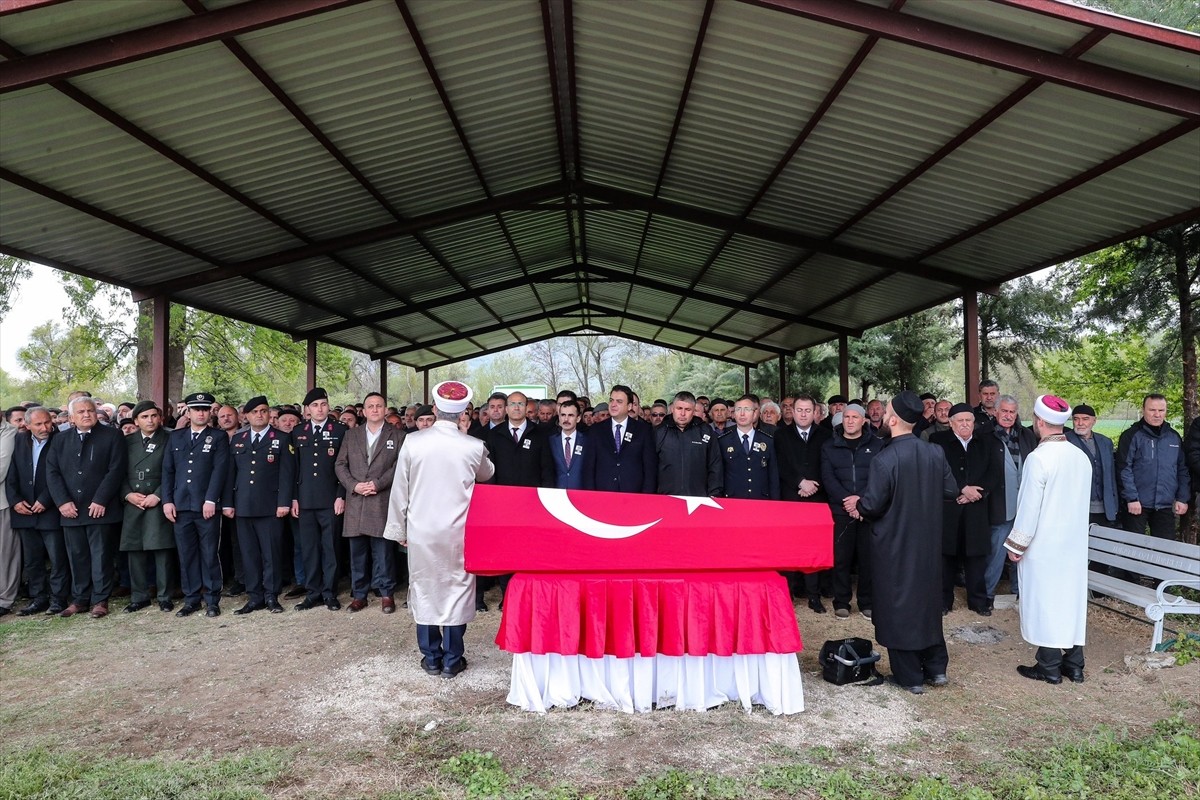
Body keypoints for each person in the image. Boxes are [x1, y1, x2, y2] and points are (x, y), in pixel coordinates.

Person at [385, 380, 494, 679]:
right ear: (463, 412)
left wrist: (398, 528)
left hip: (421, 530)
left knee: (425, 587)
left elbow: (400, 489)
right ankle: (452, 659)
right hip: (459, 531)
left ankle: (431, 657)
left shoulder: (413, 442)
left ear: (435, 409)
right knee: (458, 588)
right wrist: (469, 439)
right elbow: (487, 473)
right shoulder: (473, 446)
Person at [853, 390, 958, 694]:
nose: (884, 415)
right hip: (927, 545)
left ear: (894, 420)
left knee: (897, 607)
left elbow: (872, 505)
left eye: (887, 411)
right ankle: (936, 669)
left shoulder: (885, 459)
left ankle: (910, 676)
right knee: (927, 603)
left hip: (894, 546)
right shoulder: (934, 453)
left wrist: (858, 504)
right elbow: (951, 490)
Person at [1005, 395, 1092, 684]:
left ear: (1039, 421)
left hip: (1045, 544)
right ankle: (1075, 664)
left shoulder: (1038, 458)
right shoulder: (1080, 457)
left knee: (1046, 602)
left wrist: (1016, 544)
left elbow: (1029, 507)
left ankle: (1049, 666)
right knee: (1070, 601)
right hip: (1074, 545)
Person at [45, 396, 129, 618]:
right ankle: (80, 599)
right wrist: (62, 502)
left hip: (101, 508)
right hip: (70, 509)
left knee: (101, 556)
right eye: (81, 412)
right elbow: (52, 472)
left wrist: (101, 499)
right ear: (71, 417)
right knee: (77, 556)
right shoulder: (60, 439)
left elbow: (116, 470)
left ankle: (100, 600)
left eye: (90, 410)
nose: (86, 415)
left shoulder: (112, 435)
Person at [223, 396, 296, 615]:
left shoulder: (281, 438)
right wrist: (227, 503)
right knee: (249, 554)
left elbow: (287, 474)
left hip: (270, 506)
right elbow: (230, 474)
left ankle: (271, 596)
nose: (259, 415)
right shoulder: (238, 439)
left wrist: (284, 502)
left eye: (263, 411)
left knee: (271, 554)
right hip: (243, 506)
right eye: (254, 412)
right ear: (246, 415)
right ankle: (254, 596)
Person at [335, 392, 405, 614]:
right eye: (370, 406)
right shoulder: (351, 435)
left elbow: (399, 466)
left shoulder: (398, 435)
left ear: (385, 409)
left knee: (383, 552)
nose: (375, 409)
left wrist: (378, 483)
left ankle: (386, 594)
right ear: (363, 411)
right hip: (356, 499)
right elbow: (340, 464)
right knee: (357, 553)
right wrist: (353, 485)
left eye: (379, 406)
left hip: (381, 499)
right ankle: (359, 595)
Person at [161, 392, 228, 618]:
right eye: (196, 409)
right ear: (187, 413)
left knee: (209, 553)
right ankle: (191, 599)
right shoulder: (176, 437)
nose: (201, 413)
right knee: (186, 554)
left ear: (210, 413)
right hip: (181, 505)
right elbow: (168, 471)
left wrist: (211, 499)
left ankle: (212, 599)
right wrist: (167, 501)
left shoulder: (218, 437)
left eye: (205, 409)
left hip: (206, 505)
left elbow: (220, 471)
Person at [929, 403, 999, 615]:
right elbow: (936, 470)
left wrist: (975, 494)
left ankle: (978, 602)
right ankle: (943, 601)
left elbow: (994, 473)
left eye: (969, 420)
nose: (965, 424)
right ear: (951, 424)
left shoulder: (986, 442)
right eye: (960, 421)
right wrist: (961, 488)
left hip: (976, 508)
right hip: (949, 507)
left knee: (976, 558)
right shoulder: (937, 441)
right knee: (945, 557)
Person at [819, 403, 880, 620]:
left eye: (855, 417)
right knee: (841, 559)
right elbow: (828, 478)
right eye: (846, 417)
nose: (850, 421)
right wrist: (849, 502)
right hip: (840, 509)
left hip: (867, 510)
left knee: (868, 559)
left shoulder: (878, 445)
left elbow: (879, 477)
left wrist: (860, 501)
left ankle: (867, 602)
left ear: (864, 421)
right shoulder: (829, 446)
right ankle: (841, 602)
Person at [6, 407, 68, 615]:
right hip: (24, 510)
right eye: (39, 424)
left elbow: (61, 474)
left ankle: (58, 598)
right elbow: (11, 473)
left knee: (57, 558)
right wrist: (15, 501)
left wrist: (45, 500)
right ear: (27, 425)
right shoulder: (18, 441)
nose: (45, 428)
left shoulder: (60, 440)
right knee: (32, 559)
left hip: (50, 509)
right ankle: (38, 598)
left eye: (47, 422)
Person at [291, 387, 348, 611]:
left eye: (323, 404)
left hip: (330, 500)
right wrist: (294, 498)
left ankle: (330, 593)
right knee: (309, 549)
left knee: (331, 548)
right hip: (305, 500)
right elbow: (293, 469)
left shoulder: (340, 430)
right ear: (308, 409)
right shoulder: (298, 431)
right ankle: (313, 592)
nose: (320, 409)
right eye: (315, 405)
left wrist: (341, 495)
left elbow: (345, 466)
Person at [119, 402, 177, 613]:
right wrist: (127, 494)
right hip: (134, 500)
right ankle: (139, 596)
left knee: (162, 550)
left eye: (154, 416)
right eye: (144, 417)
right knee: (135, 550)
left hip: (157, 498)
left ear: (160, 418)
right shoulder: (126, 442)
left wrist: (159, 495)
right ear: (136, 421)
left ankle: (165, 596)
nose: (150, 420)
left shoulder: (170, 438)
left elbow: (175, 470)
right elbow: (117, 472)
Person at [776, 394, 831, 612]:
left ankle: (813, 596)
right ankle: (788, 591)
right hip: (791, 497)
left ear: (815, 412)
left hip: (817, 498)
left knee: (812, 549)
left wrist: (814, 485)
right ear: (793, 411)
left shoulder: (826, 435)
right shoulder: (781, 435)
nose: (803, 414)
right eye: (799, 410)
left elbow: (828, 466)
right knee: (789, 547)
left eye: (808, 410)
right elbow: (781, 464)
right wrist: (800, 482)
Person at [1117, 394, 1190, 541]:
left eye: (1161, 410)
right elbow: (1124, 468)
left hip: (1165, 505)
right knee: (1134, 548)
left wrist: (1182, 498)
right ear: (1143, 409)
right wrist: (1131, 498)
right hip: (1137, 504)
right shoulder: (1131, 435)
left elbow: (1182, 469)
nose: (1157, 414)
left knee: (1165, 549)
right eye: (1152, 410)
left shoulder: (1173, 437)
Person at [581, 385, 657, 494]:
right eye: (611, 400)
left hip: (634, 496)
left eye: (619, 401)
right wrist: (591, 496)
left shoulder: (643, 430)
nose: (613, 404)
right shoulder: (596, 430)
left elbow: (650, 469)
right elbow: (588, 468)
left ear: (629, 406)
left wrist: (646, 497)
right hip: (603, 495)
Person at [654, 391, 722, 497]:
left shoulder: (705, 431)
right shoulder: (659, 432)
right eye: (679, 408)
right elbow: (650, 468)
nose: (682, 413)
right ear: (672, 409)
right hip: (665, 497)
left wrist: (715, 493)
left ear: (693, 411)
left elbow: (715, 464)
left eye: (687, 409)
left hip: (698, 498)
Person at [1066, 404, 1119, 528]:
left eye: (1085, 419)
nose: (1080, 423)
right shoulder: (1065, 441)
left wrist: (1114, 504)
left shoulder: (1105, 442)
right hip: (1075, 507)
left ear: (1094, 421)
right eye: (1076, 419)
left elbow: (1111, 475)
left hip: (1105, 508)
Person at [719, 396, 779, 500]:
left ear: (754, 414)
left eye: (747, 409)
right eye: (738, 409)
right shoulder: (723, 441)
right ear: (733, 414)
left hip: (761, 500)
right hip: (732, 500)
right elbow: (718, 475)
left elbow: (773, 476)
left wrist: (775, 503)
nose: (742, 414)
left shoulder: (767, 440)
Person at [549, 399, 587, 490]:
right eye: (563, 415)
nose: (566, 419)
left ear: (578, 418)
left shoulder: (587, 441)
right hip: (556, 493)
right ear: (559, 417)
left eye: (570, 415)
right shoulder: (550, 441)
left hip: (581, 493)